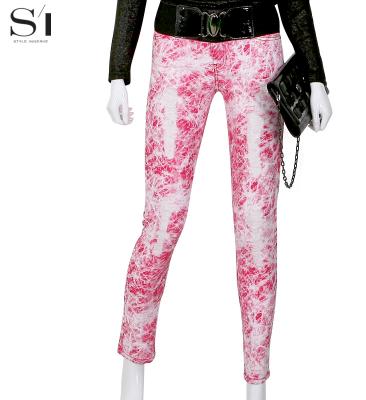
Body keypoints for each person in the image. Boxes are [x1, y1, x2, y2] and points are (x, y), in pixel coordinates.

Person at [106, 1, 332, 399]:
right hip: (177, 47)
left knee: (256, 224)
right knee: (163, 220)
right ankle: (132, 369)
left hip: (254, 49)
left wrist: (315, 77)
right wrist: (118, 71)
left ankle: (256, 384)